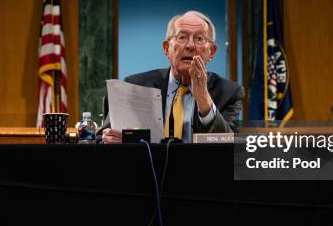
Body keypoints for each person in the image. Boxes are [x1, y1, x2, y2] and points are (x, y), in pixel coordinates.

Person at [102, 10, 245, 143]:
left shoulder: (229, 93)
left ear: (212, 52)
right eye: (182, 37)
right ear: (166, 48)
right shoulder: (134, 87)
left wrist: (203, 99)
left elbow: (229, 145)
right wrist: (110, 138)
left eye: (199, 38)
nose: (190, 45)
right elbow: (102, 137)